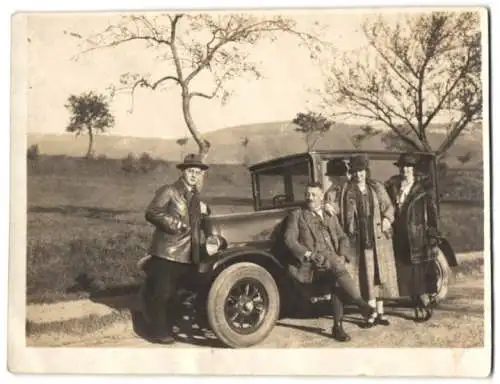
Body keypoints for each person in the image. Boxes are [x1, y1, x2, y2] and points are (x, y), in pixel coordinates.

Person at [283, 182, 377, 342]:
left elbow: (343, 237)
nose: (309, 198)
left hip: (333, 260)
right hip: (312, 263)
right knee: (336, 271)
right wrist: (308, 254)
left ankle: (339, 327)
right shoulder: (297, 215)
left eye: (313, 195)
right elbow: (289, 240)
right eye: (307, 194)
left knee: (336, 276)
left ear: (321, 197)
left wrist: (342, 254)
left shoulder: (329, 215)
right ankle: (361, 305)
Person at [140, 153, 211, 344]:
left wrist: (207, 210)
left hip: (188, 253)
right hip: (168, 251)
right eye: (190, 171)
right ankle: (157, 332)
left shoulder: (195, 197)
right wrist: (177, 225)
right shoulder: (169, 191)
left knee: (177, 294)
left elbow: (198, 220)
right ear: (182, 172)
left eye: (197, 172)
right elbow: (152, 212)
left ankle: (169, 328)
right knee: (163, 294)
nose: (194, 175)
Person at [331, 154, 400, 327]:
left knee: (380, 276)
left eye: (361, 171)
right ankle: (370, 314)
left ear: (366, 171)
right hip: (358, 241)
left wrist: (387, 219)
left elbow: (389, 207)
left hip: (378, 239)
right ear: (351, 173)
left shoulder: (376, 187)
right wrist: (330, 207)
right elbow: (338, 209)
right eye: (355, 171)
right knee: (366, 278)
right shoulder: (346, 190)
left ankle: (380, 313)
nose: (359, 174)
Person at [385, 153, 441, 322]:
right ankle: (416, 303)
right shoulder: (393, 187)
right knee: (406, 273)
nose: (405, 170)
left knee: (419, 272)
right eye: (402, 167)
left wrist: (432, 234)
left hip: (418, 236)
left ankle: (423, 304)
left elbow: (432, 214)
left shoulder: (423, 189)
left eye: (408, 167)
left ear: (413, 169)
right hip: (399, 236)